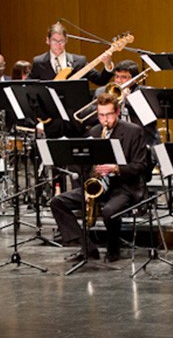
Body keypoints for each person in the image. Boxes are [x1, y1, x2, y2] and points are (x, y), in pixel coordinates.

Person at [50, 93, 150, 262]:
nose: (105, 120)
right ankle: (87, 247)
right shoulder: (94, 132)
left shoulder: (134, 131)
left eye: (109, 114)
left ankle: (113, 249)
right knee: (57, 202)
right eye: (101, 115)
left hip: (125, 186)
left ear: (117, 112)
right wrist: (89, 168)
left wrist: (116, 168)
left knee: (109, 211)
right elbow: (83, 165)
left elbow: (141, 166)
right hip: (99, 185)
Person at [28, 22, 114, 85]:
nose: (58, 45)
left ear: (66, 41)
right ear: (47, 40)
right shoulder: (39, 62)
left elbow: (100, 81)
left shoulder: (79, 61)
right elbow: (29, 85)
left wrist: (108, 65)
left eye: (61, 41)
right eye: (54, 41)